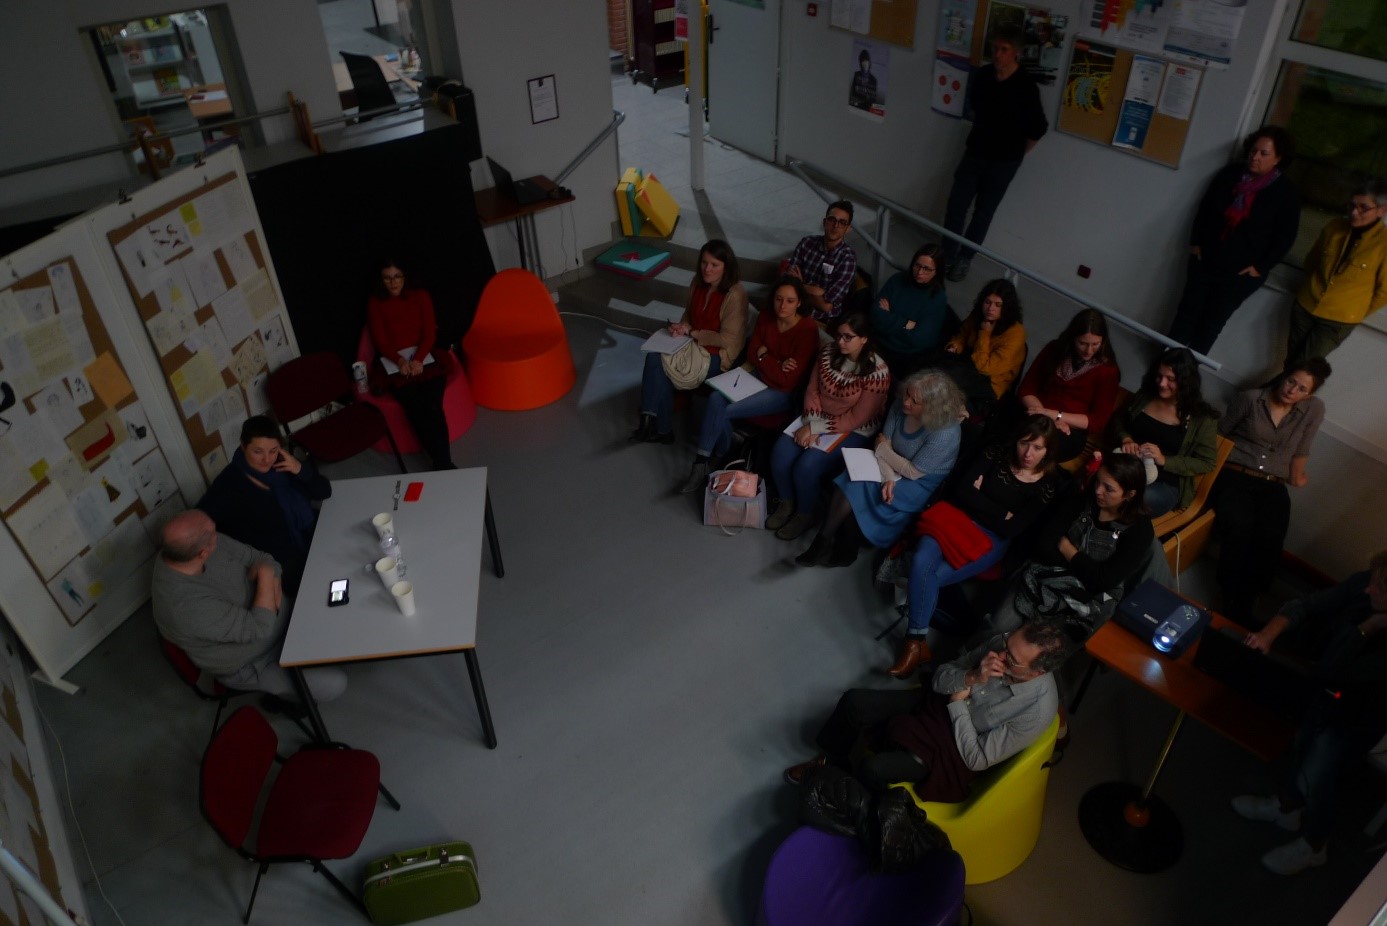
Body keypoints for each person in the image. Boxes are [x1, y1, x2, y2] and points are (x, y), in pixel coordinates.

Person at [782, 621, 1069, 797]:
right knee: (854, 702)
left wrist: (958, 703)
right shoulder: (1001, 646)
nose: (1002, 654)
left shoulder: (1037, 709)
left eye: (1012, 660)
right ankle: (830, 759)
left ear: (1036, 673)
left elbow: (977, 759)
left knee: (874, 769)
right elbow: (940, 678)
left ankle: (842, 796)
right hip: (935, 704)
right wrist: (970, 677)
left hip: (955, 747)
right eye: (1007, 644)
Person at [1232, 552, 1387, 875]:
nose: (1369, 590)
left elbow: (1334, 667)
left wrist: (1367, 628)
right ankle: (1287, 809)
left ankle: (1315, 845)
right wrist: (1268, 634)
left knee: (1320, 779)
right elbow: (1309, 604)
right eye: (1372, 581)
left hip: (1355, 718)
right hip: (1325, 696)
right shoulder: (1366, 584)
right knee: (1301, 749)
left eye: (1380, 589)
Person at [888, 417, 1066, 678]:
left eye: (1038, 448)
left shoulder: (1048, 485)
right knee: (920, 563)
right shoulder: (995, 452)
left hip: (990, 539)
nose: (1029, 453)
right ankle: (916, 643)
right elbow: (962, 492)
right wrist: (1002, 512)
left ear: (1048, 451)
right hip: (953, 517)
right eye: (1024, 443)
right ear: (1016, 439)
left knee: (931, 577)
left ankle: (915, 643)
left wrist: (981, 499)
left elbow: (1011, 529)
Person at [152, 510, 346, 702]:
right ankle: (289, 700)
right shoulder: (186, 607)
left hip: (282, 614)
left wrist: (267, 577)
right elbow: (259, 627)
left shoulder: (191, 546)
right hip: (257, 660)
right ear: (203, 554)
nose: (217, 534)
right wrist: (265, 575)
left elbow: (264, 559)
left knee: (345, 622)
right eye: (212, 533)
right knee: (336, 683)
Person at [796, 370, 965, 568]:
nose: (906, 402)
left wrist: (883, 452)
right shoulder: (901, 404)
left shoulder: (946, 433)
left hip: (918, 481)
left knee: (860, 490)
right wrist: (887, 475)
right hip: (890, 464)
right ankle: (824, 541)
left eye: (915, 401)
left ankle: (844, 548)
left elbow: (912, 470)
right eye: (907, 394)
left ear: (932, 408)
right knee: (850, 481)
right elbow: (882, 445)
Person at [1212, 358, 1331, 625]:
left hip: (1273, 482)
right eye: (1291, 381)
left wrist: (1296, 476)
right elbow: (1219, 435)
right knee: (1239, 529)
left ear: (1308, 394)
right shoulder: (1251, 399)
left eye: (1302, 389)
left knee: (1270, 537)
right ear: (1283, 376)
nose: (1292, 391)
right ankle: (1230, 598)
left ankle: (1248, 599)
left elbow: (1303, 447)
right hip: (1236, 473)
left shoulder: (1313, 409)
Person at [991, 454, 1154, 641]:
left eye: (1108, 489)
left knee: (1037, 646)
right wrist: (1088, 570)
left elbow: (1105, 581)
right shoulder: (1081, 499)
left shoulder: (1140, 530)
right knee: (998, 626)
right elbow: (1044, 545)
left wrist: (1068, 548)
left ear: (1130, 495)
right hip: (1045, 574)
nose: (1098, 491)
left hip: (1088, 599)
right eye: (1098, 482)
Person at [678, 277, 820, 493]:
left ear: (799, 302)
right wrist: (776, 363)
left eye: (790, 301)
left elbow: (787, 380)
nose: (783, 306)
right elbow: (753, 353)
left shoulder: (808, 329)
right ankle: (702, 461)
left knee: (723, 409)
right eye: (779, 299)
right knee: (716, 397)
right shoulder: (765, 316)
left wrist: (766, 357)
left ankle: (719, 454)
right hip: (756, 377)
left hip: (782, 392)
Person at [1168, 127, 1301, 355]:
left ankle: (1185, 377)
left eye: (1263, 153)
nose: (1255, 157)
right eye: (1253, 150)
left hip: (1240, 274)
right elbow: (1205, 209)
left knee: (1211, 324)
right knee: (1185, 315)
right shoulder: (1229, 175)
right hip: (1205, 261)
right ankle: (1163, 366)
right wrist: (1196, 243)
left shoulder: (1286, 193)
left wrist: (1260, 267)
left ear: (1278, 159)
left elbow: (1285, 237)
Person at [766, 313, 891, 542]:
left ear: (864, 339)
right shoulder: (828, 351)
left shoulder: (877, 372)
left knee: (807, 465)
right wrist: (812, 423)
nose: (840, 342)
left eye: (848, 337)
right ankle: (786, 502)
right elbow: (812, 391)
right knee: (781, 453)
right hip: (816, 417)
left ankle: (805, 513)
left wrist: (816, 428)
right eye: (838, 336)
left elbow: (857, 418)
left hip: (853, 429)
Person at [940, 24, 1048, 283]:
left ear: (1016, 53)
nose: (997, 54)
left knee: (983, 212)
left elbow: (1038, 128)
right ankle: (947, 255)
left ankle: (965, 259)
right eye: (995, 48)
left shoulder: (1026, 87)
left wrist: (1016, 154)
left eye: (1004, 49)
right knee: (956, 205)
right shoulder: (985, 76)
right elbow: (976, 107)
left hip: (1003, 163)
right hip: (975, 153)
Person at [197, 416, 331, 596]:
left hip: (305, 533)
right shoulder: (229, 482)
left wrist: (299, 469)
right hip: (278, 557)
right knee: (318, 591)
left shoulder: (283, 465)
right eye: (258, 451)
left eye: (273, 450)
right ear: (243, 447)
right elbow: (200, 521)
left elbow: (324, 491)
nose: (266, 459)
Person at [631, 240, 748, 444]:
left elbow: (727, 340)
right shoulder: (697, 283)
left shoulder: (735, 295)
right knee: (654, 357)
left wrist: (692, 332)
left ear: (726, 267)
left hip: (718, 357)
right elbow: (688, 316)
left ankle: (660, 428)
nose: (707, 269)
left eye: (714, 265)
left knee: (661, 367)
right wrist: (682, 326)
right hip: (692, 346)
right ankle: (649, 422)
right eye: (704, 262)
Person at [1109, 347, 1218, 517]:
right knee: (1102, 486)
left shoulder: (1202, 418)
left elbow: (1207, 462)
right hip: (1126, 468)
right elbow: (1119, 421)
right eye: (1159, 376)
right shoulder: (1145, 396)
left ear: (1186, 382)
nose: (1162, 383)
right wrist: (1126, 439)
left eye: (1171, 379)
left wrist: (1164, 460)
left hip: (1164, 483)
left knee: (1131, 499)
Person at [1286, 179, 1387, 363]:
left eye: (1363, 208)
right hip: (1306, 304)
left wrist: (1354, 310)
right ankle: (1269, 392)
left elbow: (1384, 292)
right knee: (1291, 360)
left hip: (1338, 320)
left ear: (1382, 210)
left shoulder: (1383, 244)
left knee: (1304, 368)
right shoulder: (1335, 226)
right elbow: (1312, 261)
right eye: (1352, 205)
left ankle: (1269, 392)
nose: (1354, 212)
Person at [367, 258, 454, 470]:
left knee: (434, 407)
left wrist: (418, 359)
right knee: (416, 409)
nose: (393, 282)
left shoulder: (421, 296)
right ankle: (444, 464)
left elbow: (429, 333)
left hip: (423, 357)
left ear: (405, 276)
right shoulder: (375, 303)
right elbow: (380, 340)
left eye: (397, 276)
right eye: (387, 278)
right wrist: (399, 361)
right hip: (396, 363)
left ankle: (442, 463)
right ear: (381, 281)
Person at [1017, 308, 1121, 464]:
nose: (1089, 350)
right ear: (1073, 338)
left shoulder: (1108, 371)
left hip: (1069, 429)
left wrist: (1054, 416)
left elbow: (1096, 421)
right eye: (1083, 343)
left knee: (1045, 444)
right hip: (1036, 413)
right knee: (1009, 424)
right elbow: (1027, 389)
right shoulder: (1054, 349)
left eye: (1095, 344)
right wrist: (1044, 418)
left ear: (1103, 341)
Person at [869, 244, 952, 379]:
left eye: (927, 269)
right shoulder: (897, 280)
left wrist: (889, 317)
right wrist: (906, 323)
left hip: (905, 356)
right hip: (878, 342)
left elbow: (919, 339)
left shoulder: (937, 298)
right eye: (917, 266)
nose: (920, 272)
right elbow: (875, 314)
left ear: (937, 271)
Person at [944, 278, 1027, 399]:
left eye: (998, 305)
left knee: (945, 391)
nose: (990, 309)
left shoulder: (1015, 334)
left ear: (1007, 307)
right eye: (987, 302)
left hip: (989, 383)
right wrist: (955, 346)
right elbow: (962, 334)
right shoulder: (978, 314)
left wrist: (984, 334)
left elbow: (985, 368)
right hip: (967, 365)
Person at [786, 201, 859, 322]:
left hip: (820, 320)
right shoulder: (807, 243)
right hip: (792, 308)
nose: (835, 226)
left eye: (842, 222)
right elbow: (789, 282)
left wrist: (800, 285)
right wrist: (816, 291)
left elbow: (826, 306)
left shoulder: (848, 258)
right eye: (832, 219)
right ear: (825, 222)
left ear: (848, 228)